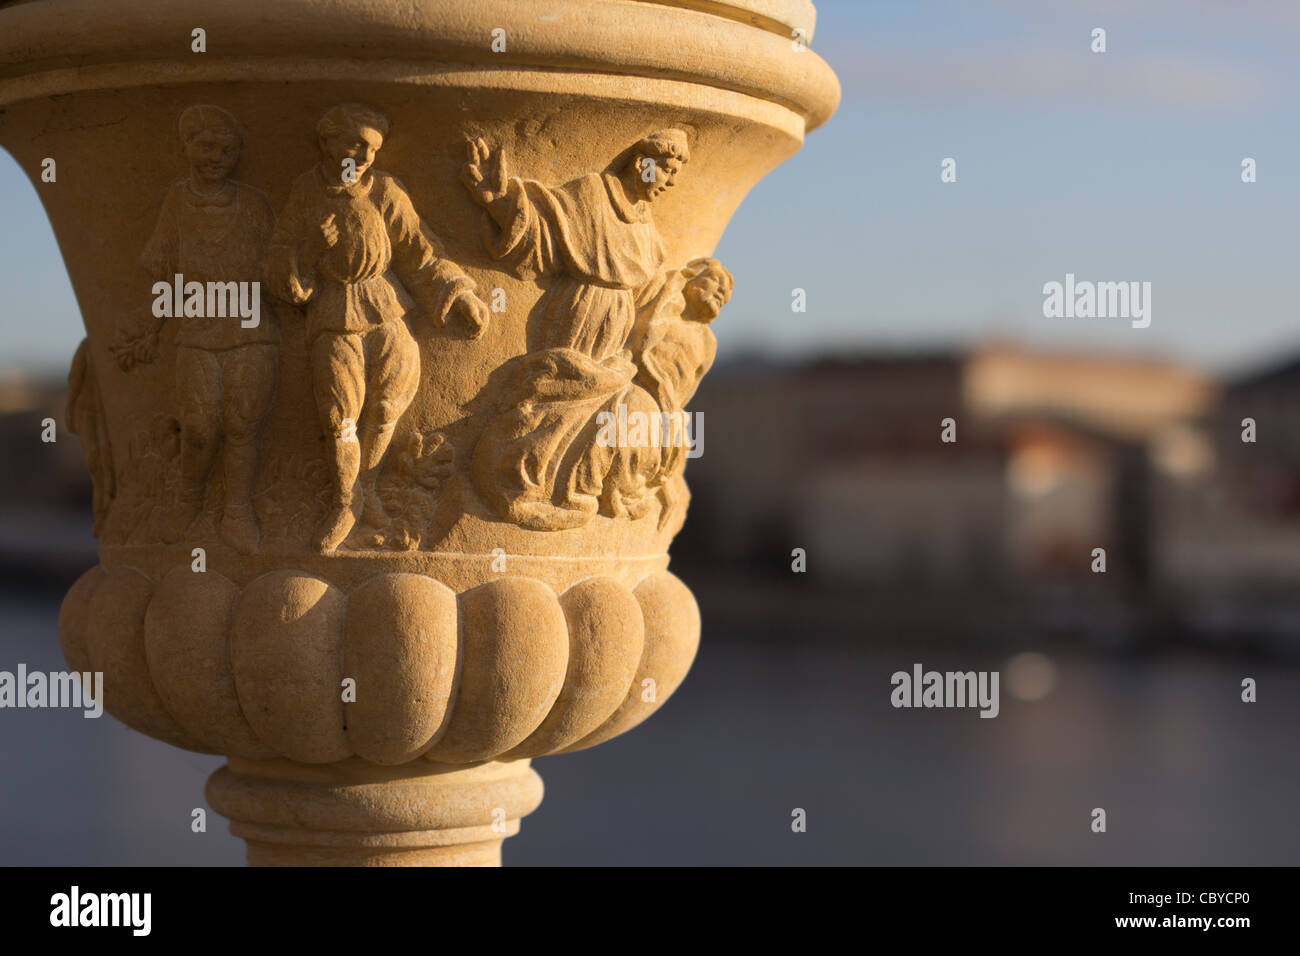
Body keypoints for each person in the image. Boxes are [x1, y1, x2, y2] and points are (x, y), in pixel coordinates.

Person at [266, 103, 490, 552]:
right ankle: (344, 502)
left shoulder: (385, 191)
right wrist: (309, 250)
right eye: (355, 143)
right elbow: (277, 263)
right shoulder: (307, 193)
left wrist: (459, 293)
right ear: (327, 144)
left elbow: (419, 250)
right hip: (334, 314)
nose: (365, 155)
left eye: (373, 147)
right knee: (341, 416)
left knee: (389, 405)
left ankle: (362, 491)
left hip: (385, 308)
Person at [462, 129, 690, 529]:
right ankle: (520, 483)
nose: (670, 182)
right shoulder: (591, 195)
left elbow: (651, 278)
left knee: (611, 407)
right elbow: (543, 228)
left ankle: (574, 489)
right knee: (557, 395)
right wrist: (499, 199)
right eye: (667, 170)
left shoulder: (645, 223)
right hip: (577, 316)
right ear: (642, 162)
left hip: (615, 338)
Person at [118, 104, 279, 553]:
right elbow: (163, 270)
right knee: (201, 427)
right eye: (206, 146)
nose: (216, 157)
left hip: (250, 327)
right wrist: (151, 327)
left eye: (228, 150)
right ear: (186, 146)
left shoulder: (253, 203)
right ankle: (189, 498)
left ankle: (237, 509)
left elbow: (278, 264)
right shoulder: (177, 201)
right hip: (196, 329)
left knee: (244, 425)